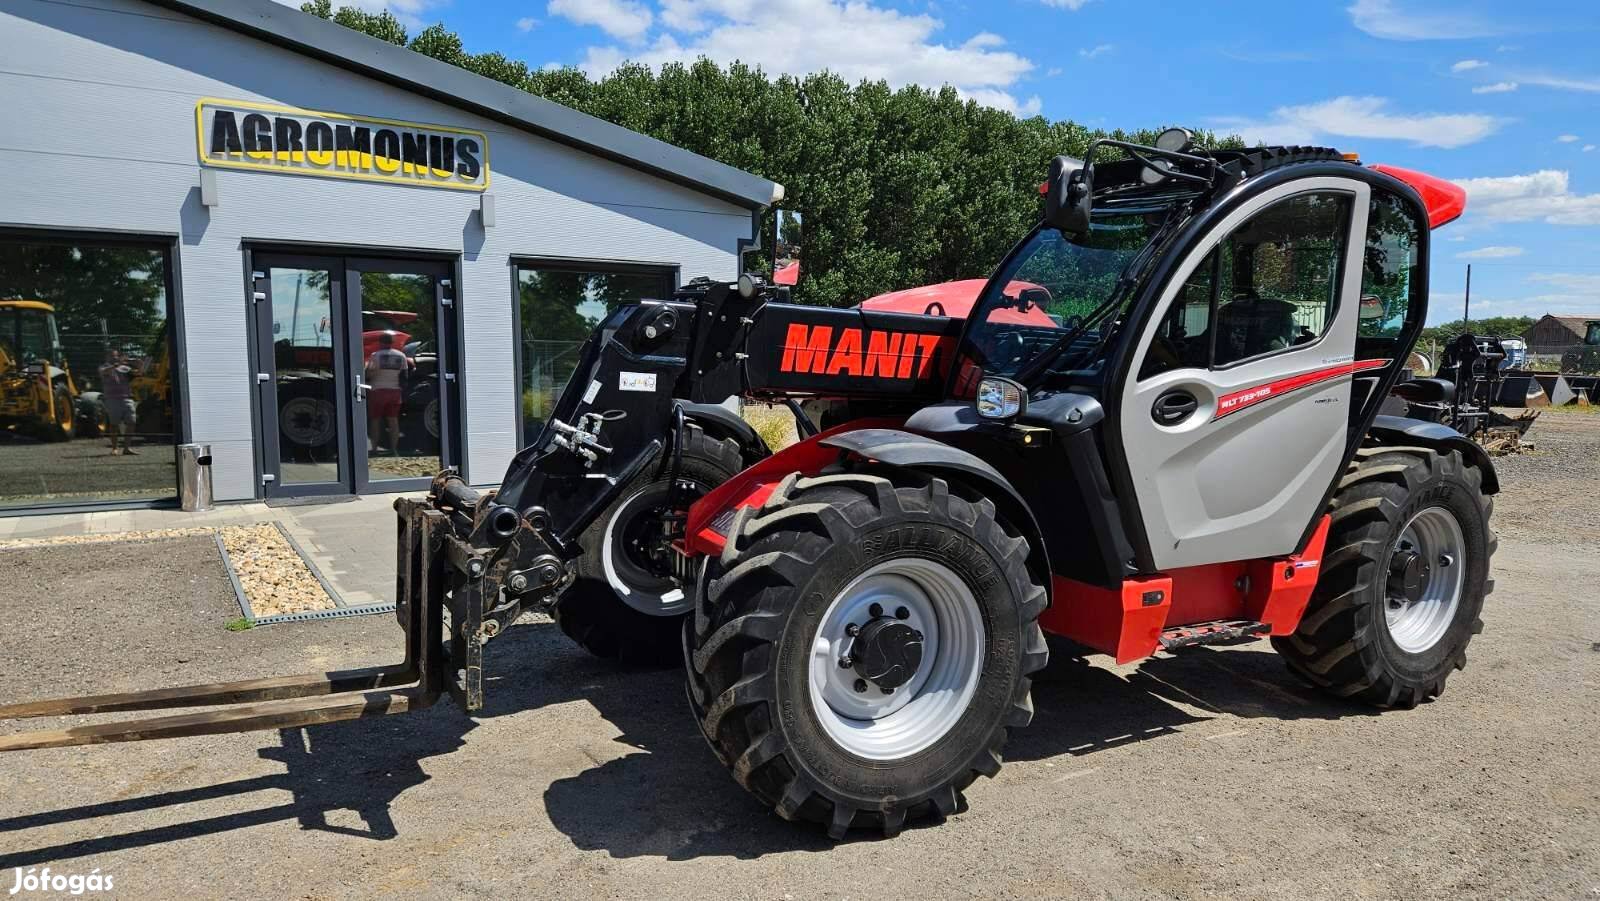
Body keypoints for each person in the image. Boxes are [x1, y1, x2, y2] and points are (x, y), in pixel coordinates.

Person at [364, 331, 411, 455]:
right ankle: (394, 449)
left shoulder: (375, 355)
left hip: (377, 391)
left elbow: (369, 373)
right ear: (392, 343)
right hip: (395, 392)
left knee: (375, 421)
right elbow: (405, 375)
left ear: (380, 343)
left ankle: (374, 449)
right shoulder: (401, 356)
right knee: (393, 421)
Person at [98, 349, 137, 456]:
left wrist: (139, 363)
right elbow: (104, 372)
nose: (114, 357)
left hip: (127, 398)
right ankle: (115, 448)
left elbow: (138, 373)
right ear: (107, 357)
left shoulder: (124, 368)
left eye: (116, 356)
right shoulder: (103, 367)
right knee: (114, 424)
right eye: (112, 356)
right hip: (112, 399)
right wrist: (117, 364)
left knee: (131, 422)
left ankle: (127, 448)